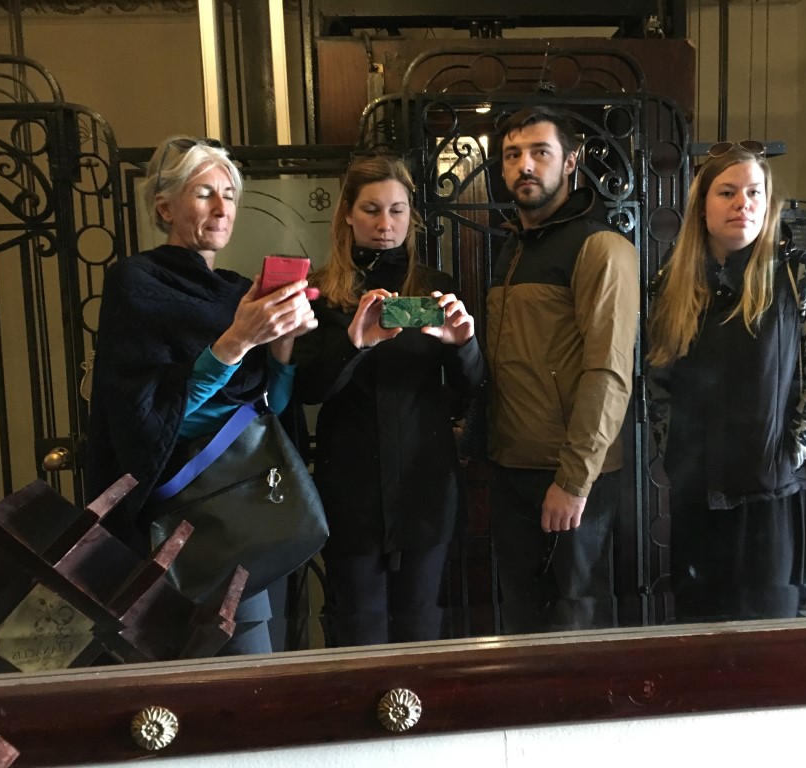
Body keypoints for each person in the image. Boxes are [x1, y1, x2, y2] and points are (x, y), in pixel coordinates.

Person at [86, 135, 318, 655]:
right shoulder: (135, 281)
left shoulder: (237, 292)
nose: (221, 208)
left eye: (230, 195)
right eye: (204, 193)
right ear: (165, 207)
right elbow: (151, 421)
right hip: (180, 519)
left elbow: (268, 412)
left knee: (255, 668)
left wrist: (280, 342)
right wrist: (236, 342)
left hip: (250, 512)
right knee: (187, 673)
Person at [646, 140, 806, 623]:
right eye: (728, 192)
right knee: (697, 634)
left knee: (767, 638)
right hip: (696, 497)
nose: (743, 203)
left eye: (755, 192)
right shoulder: (672, 283)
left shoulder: (802, 274)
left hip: (772, 501)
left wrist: (786, 455)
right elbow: (658, 381)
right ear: (702, 206)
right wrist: (674, 453)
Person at [292, 153, 485, 647]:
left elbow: (470, 389)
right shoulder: (321, 292)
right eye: (371, 209)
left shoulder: (434, 289)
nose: (385, 224)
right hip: (351, 489)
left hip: (425, 485)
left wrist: (463, 345)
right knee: (359, 629)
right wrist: (354, 343)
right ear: (348, 215)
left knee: (421, 625)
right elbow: (307, 389)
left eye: (397, 210)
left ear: (410, 217)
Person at [486, 106, 640, 634]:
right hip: (510, 468)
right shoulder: (512, 246)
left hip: (572, 477)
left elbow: (609, 373)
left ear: (571, 161)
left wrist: (574, 480)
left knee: (578, 624)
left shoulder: (601, 246)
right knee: (521, 624)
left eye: (540, 152)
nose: (525, 165)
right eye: (513, 155)